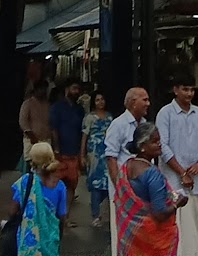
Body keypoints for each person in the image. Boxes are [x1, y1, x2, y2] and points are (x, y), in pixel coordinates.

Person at [155, 76, 198, 256]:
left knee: (195, 229)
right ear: (176, 90)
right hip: (172, 183)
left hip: (196, 183)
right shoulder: (165, 113)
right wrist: (182, 172)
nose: (189, 93)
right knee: (174, 229)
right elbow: (162, 147)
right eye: (185, 89)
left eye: (192, 90)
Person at [115, 120, 186, 256]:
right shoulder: (152, 174)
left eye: (159, 140)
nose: (159, 144)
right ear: (142, 146)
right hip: (151, 243)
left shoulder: (127, 166)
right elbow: (159, 214)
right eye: (155, 141)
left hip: (132, 241)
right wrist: (178, 203)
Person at [106, 87, 151, 256]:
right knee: (121, 232)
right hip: (123, 188)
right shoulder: (118, 124)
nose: (148, 103)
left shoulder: (145, 124)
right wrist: (120, 186)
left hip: (142, 188)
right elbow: (110, 157)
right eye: (144, 100)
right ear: (133, 102)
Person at [12, 139, 67, 256]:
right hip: (50, 240)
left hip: (28, 243)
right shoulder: (59, 186)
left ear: (32, 161)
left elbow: (13, 211)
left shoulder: (24, 182)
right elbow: (61, 216)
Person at [81, 91, 113, 228]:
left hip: (107, 152)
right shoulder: (89, 118)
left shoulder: (110, 117)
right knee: (95, 184)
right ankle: (95, 214)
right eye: (97, 100)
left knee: (108, 183)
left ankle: (106, 212)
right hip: (94, 154)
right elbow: (84, 137)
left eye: (102, 99)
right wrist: (81, 155)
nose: (100, 102)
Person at [49, 86, 84, 212]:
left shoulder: (79, 109)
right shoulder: (57, 108)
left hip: (74, 153)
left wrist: (81, 153)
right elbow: (53, 129)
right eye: (74, 88)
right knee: (55, 184)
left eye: (78, 89)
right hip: (60, 154)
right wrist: (56, 148)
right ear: (66, 89)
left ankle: (66, 216)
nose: (76, 91)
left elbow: (82, 132)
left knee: (71, 186)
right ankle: (54, 214)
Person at [20, 79, 52, 161]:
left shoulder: (48, 105)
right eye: (41, 89)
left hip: (46, 140)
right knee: (31, 164)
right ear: (36, 90)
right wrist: (32, 137)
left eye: (45, 89)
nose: (43, 91)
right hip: (31, 140)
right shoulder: (28, 103)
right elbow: (23, 122)